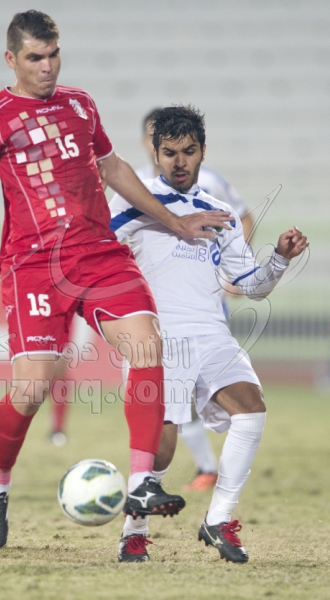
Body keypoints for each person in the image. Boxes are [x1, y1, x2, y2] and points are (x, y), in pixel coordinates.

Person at [0, 12, 233, 550]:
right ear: (11, 59)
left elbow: (113, 168)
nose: (47, 66)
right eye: (35, 57)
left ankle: (142, 484)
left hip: (99, 254)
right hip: (34, 266)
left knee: (147, 344)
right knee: (31, 389)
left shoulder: (80, 104)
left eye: (54, 54)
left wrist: (175, 222)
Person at [110, 105, 308, 563]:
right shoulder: (133, 202)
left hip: (212, 333)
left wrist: (279, 259)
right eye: (169, 153)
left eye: (189, 151)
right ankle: (133, 532)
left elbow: (251, 286)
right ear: (155, 154)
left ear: (203, 151)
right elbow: (96, 247)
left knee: (251, 410)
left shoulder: (220, 214)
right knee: (160, 450)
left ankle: (218, 519)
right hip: (158, 337)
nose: (179, 161)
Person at [136, 108, 255, 493]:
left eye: (187, 149)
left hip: (204, 309)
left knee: (200, 394)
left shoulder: (212, 183)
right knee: (171, 403)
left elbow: (244, 218)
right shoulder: (134, 188)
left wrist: (233, 269)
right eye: (162, 144)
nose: (178, 157)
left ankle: (201, 471)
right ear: (151, 146)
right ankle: (200, 468)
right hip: (156, 316)